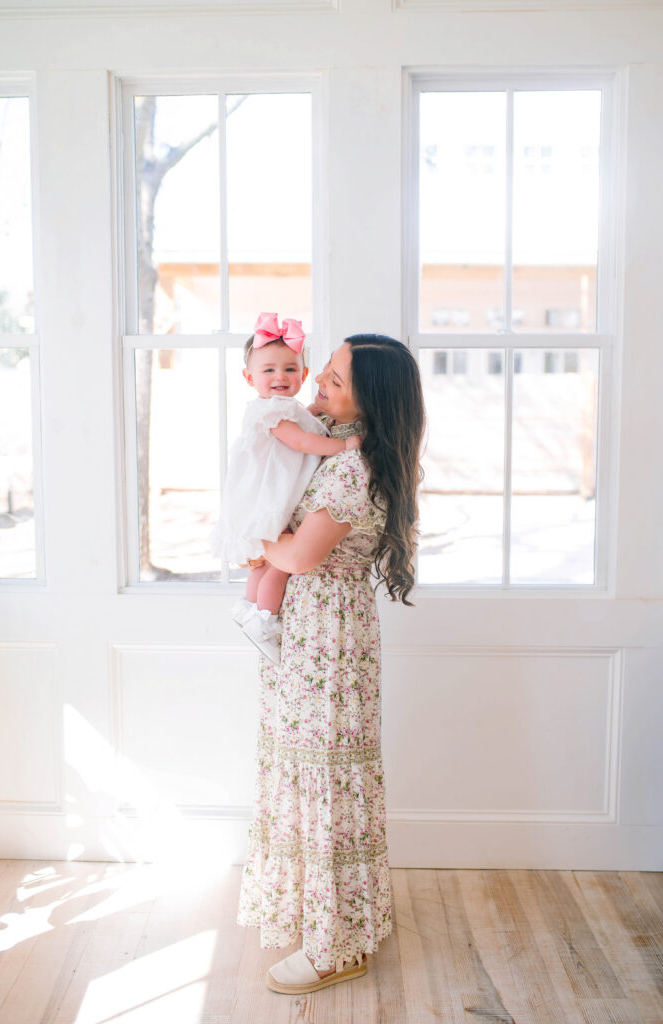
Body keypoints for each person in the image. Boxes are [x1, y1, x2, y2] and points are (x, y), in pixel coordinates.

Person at [236, 334, 425, 995]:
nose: (317, 382)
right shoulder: (345, 452)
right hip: (321, 634)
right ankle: (329, 916)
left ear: (371, 399)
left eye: (335, 380)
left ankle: (334, 946)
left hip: (328, 641)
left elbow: (295, 557)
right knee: (312, 776)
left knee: (325, 784)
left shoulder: (353, 467)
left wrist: (243, 529)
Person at [210, 313, 360, 663]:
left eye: (290, 369)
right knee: (276, 568)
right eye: (268, 371)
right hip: (271, 494)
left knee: (261, 567)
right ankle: (264, 621)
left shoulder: (284, 408)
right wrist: (345, 448)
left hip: (270, 493)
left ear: (303, 375)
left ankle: (249, 609)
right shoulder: (273, 412)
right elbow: (303, 442)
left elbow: (304, 423)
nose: (280, 377)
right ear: (249, 378)